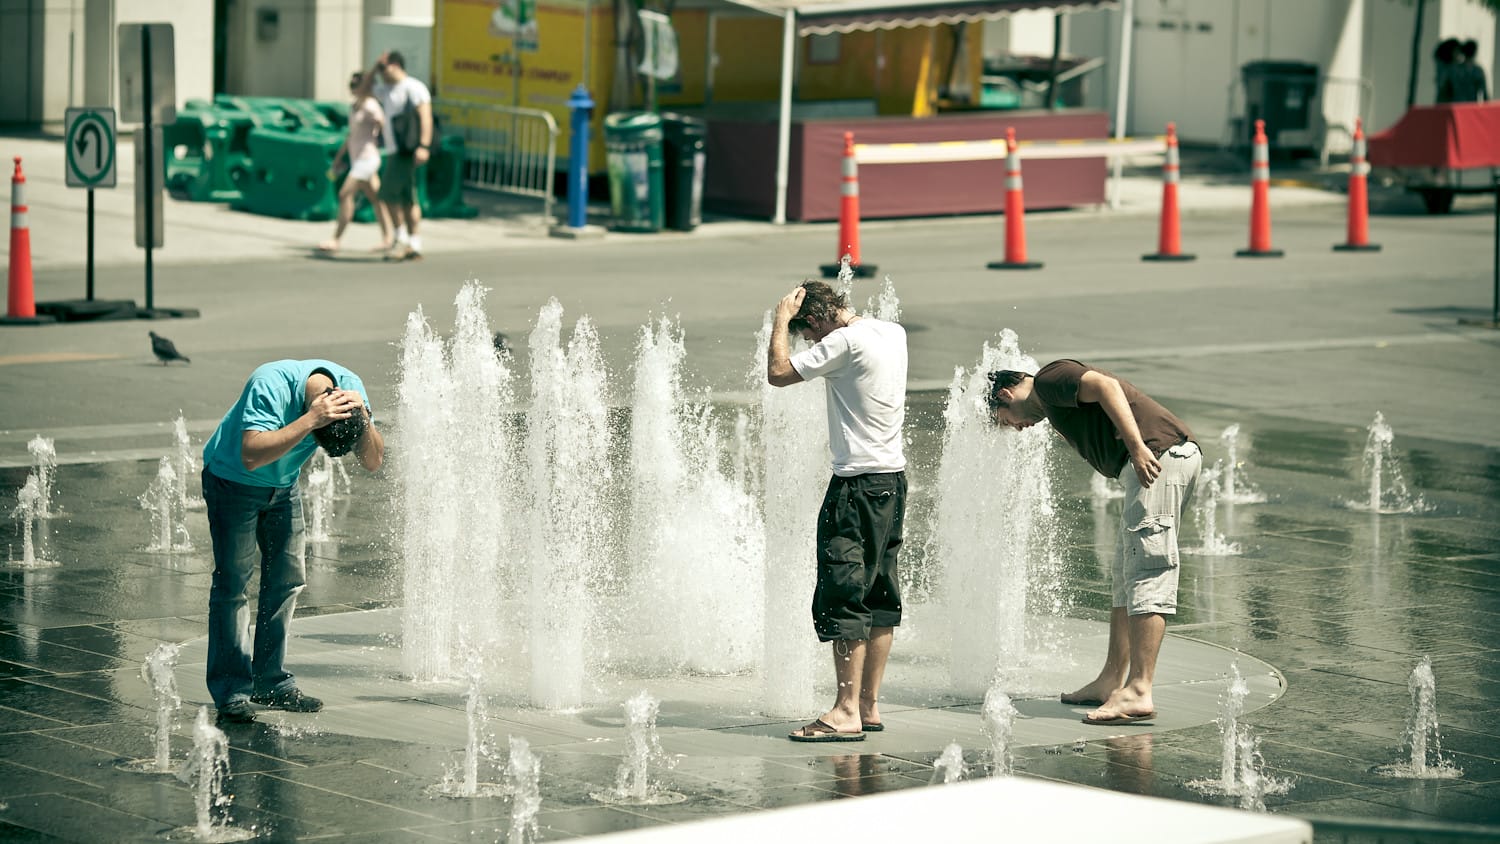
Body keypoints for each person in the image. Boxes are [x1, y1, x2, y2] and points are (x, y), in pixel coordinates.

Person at [985, 361, 1200, 726]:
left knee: (1148, 572)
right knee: (1126, 577)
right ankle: (1111, 679)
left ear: (1005, 395)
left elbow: (1106, 387)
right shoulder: (1051, 403)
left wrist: (1135, 447)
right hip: (1156, 461)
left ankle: (1139, 689)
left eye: (1004, 421)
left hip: (1156, 457)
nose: (1017, 429)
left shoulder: (1049, 379)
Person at [202, 361, 385, 723]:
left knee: (287, 582)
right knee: (232, 585)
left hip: (283, 487)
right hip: (232, 482)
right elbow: (251, 454)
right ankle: (232, 692)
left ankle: (270, 684)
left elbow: (373, 461)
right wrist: (312, 421)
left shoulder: (350, 387)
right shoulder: (269, 383)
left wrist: (363, 415)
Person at [767, 281, 908, 742]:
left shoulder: (843, 341)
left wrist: (779, 322)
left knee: (845, 588)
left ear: (818, 318)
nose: (811, 341)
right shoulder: (892, 332)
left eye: (807, 331)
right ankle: (867, 705)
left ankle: (845, 711)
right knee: (880, 593)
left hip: (856, 487)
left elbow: (779, 373)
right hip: (893, 481)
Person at [319, 71, 393, 254]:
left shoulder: (371, 105)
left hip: (367, 159)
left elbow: (384, 124)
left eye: (356, 85)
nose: (352, 88)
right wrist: (339, 157)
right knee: (377, 198)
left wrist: (380, 136)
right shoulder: (355, 106)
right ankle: (389, 237)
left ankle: (336, 239)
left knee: (345, 194)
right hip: (356, 157)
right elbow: (351, 135)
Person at [371, 51, 433, 261]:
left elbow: (425, 116)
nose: (382, 72)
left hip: (405, 150)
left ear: (396, 65)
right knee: (408, 198)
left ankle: (402, 238)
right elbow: (363, 89)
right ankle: (414, 243)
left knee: (387, 195)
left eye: (385, 67)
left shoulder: (414, 87)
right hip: (394, 150)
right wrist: (375, 68)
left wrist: (424, 145)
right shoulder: (386, 89)